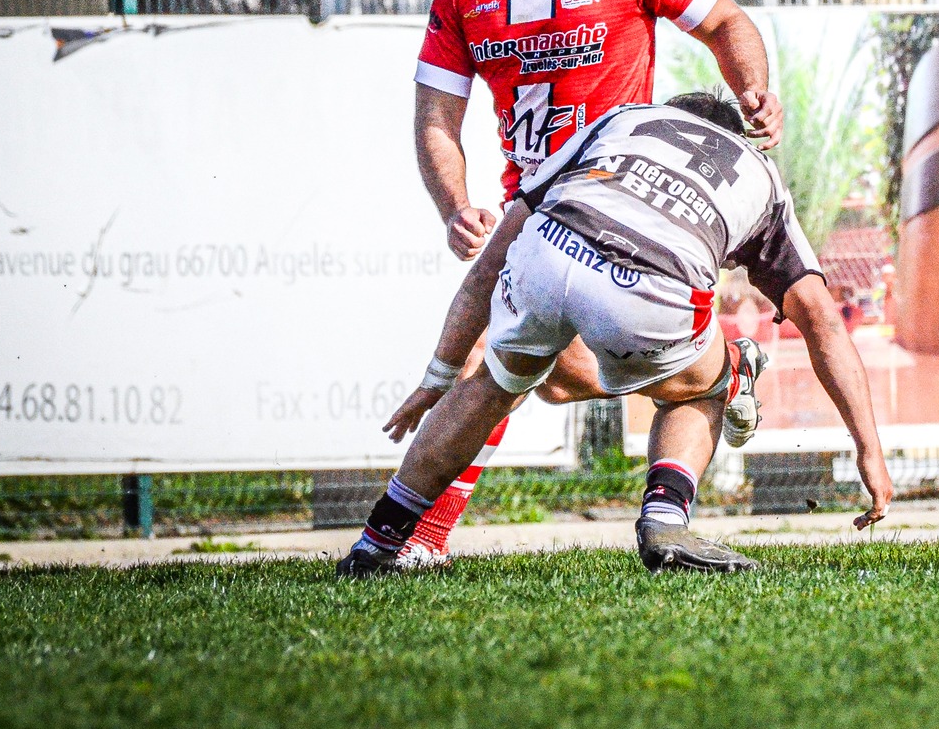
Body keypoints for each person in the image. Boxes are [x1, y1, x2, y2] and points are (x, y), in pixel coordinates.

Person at [404, 0, 784, 566]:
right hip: (531, 208)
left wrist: (751, 92)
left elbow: (727, 25)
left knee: (486, 356)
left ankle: (420, 540)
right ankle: (723, 367)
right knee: (555, 379)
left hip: (624, 198)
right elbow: (436, 117)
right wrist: (455, 207)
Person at [339, 93, 892, 577]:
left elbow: (492, 262)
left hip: (551, 247)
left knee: (492, 385)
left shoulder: (621, 121)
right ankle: (665, 518)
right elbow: (819, 318)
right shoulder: (760, 176)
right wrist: (868, 448)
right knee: (708, 384)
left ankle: (378, 541)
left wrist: (438, 375)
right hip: (647, 286)